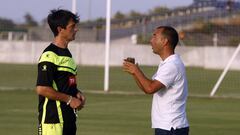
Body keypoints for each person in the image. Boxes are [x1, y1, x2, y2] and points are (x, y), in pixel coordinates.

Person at [123, 26, 189, 135]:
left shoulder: (172, 65)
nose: (151, 40)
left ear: (164, 41)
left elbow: (150, 88)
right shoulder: (167, 63)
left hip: (171, 128)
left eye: (154, 36)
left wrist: (136, 71)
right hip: (167, 127)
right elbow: (146, 88)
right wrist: (134, 72)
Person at [36, 9, 85, 135]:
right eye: (72, 26)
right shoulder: (49, 55)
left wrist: (76, 93)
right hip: (53, 123)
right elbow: (42, 88)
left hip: (69, 120)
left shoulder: (68, 55)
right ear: (60, 29)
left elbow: (64, 83)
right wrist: (69, 99)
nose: (76, 29)